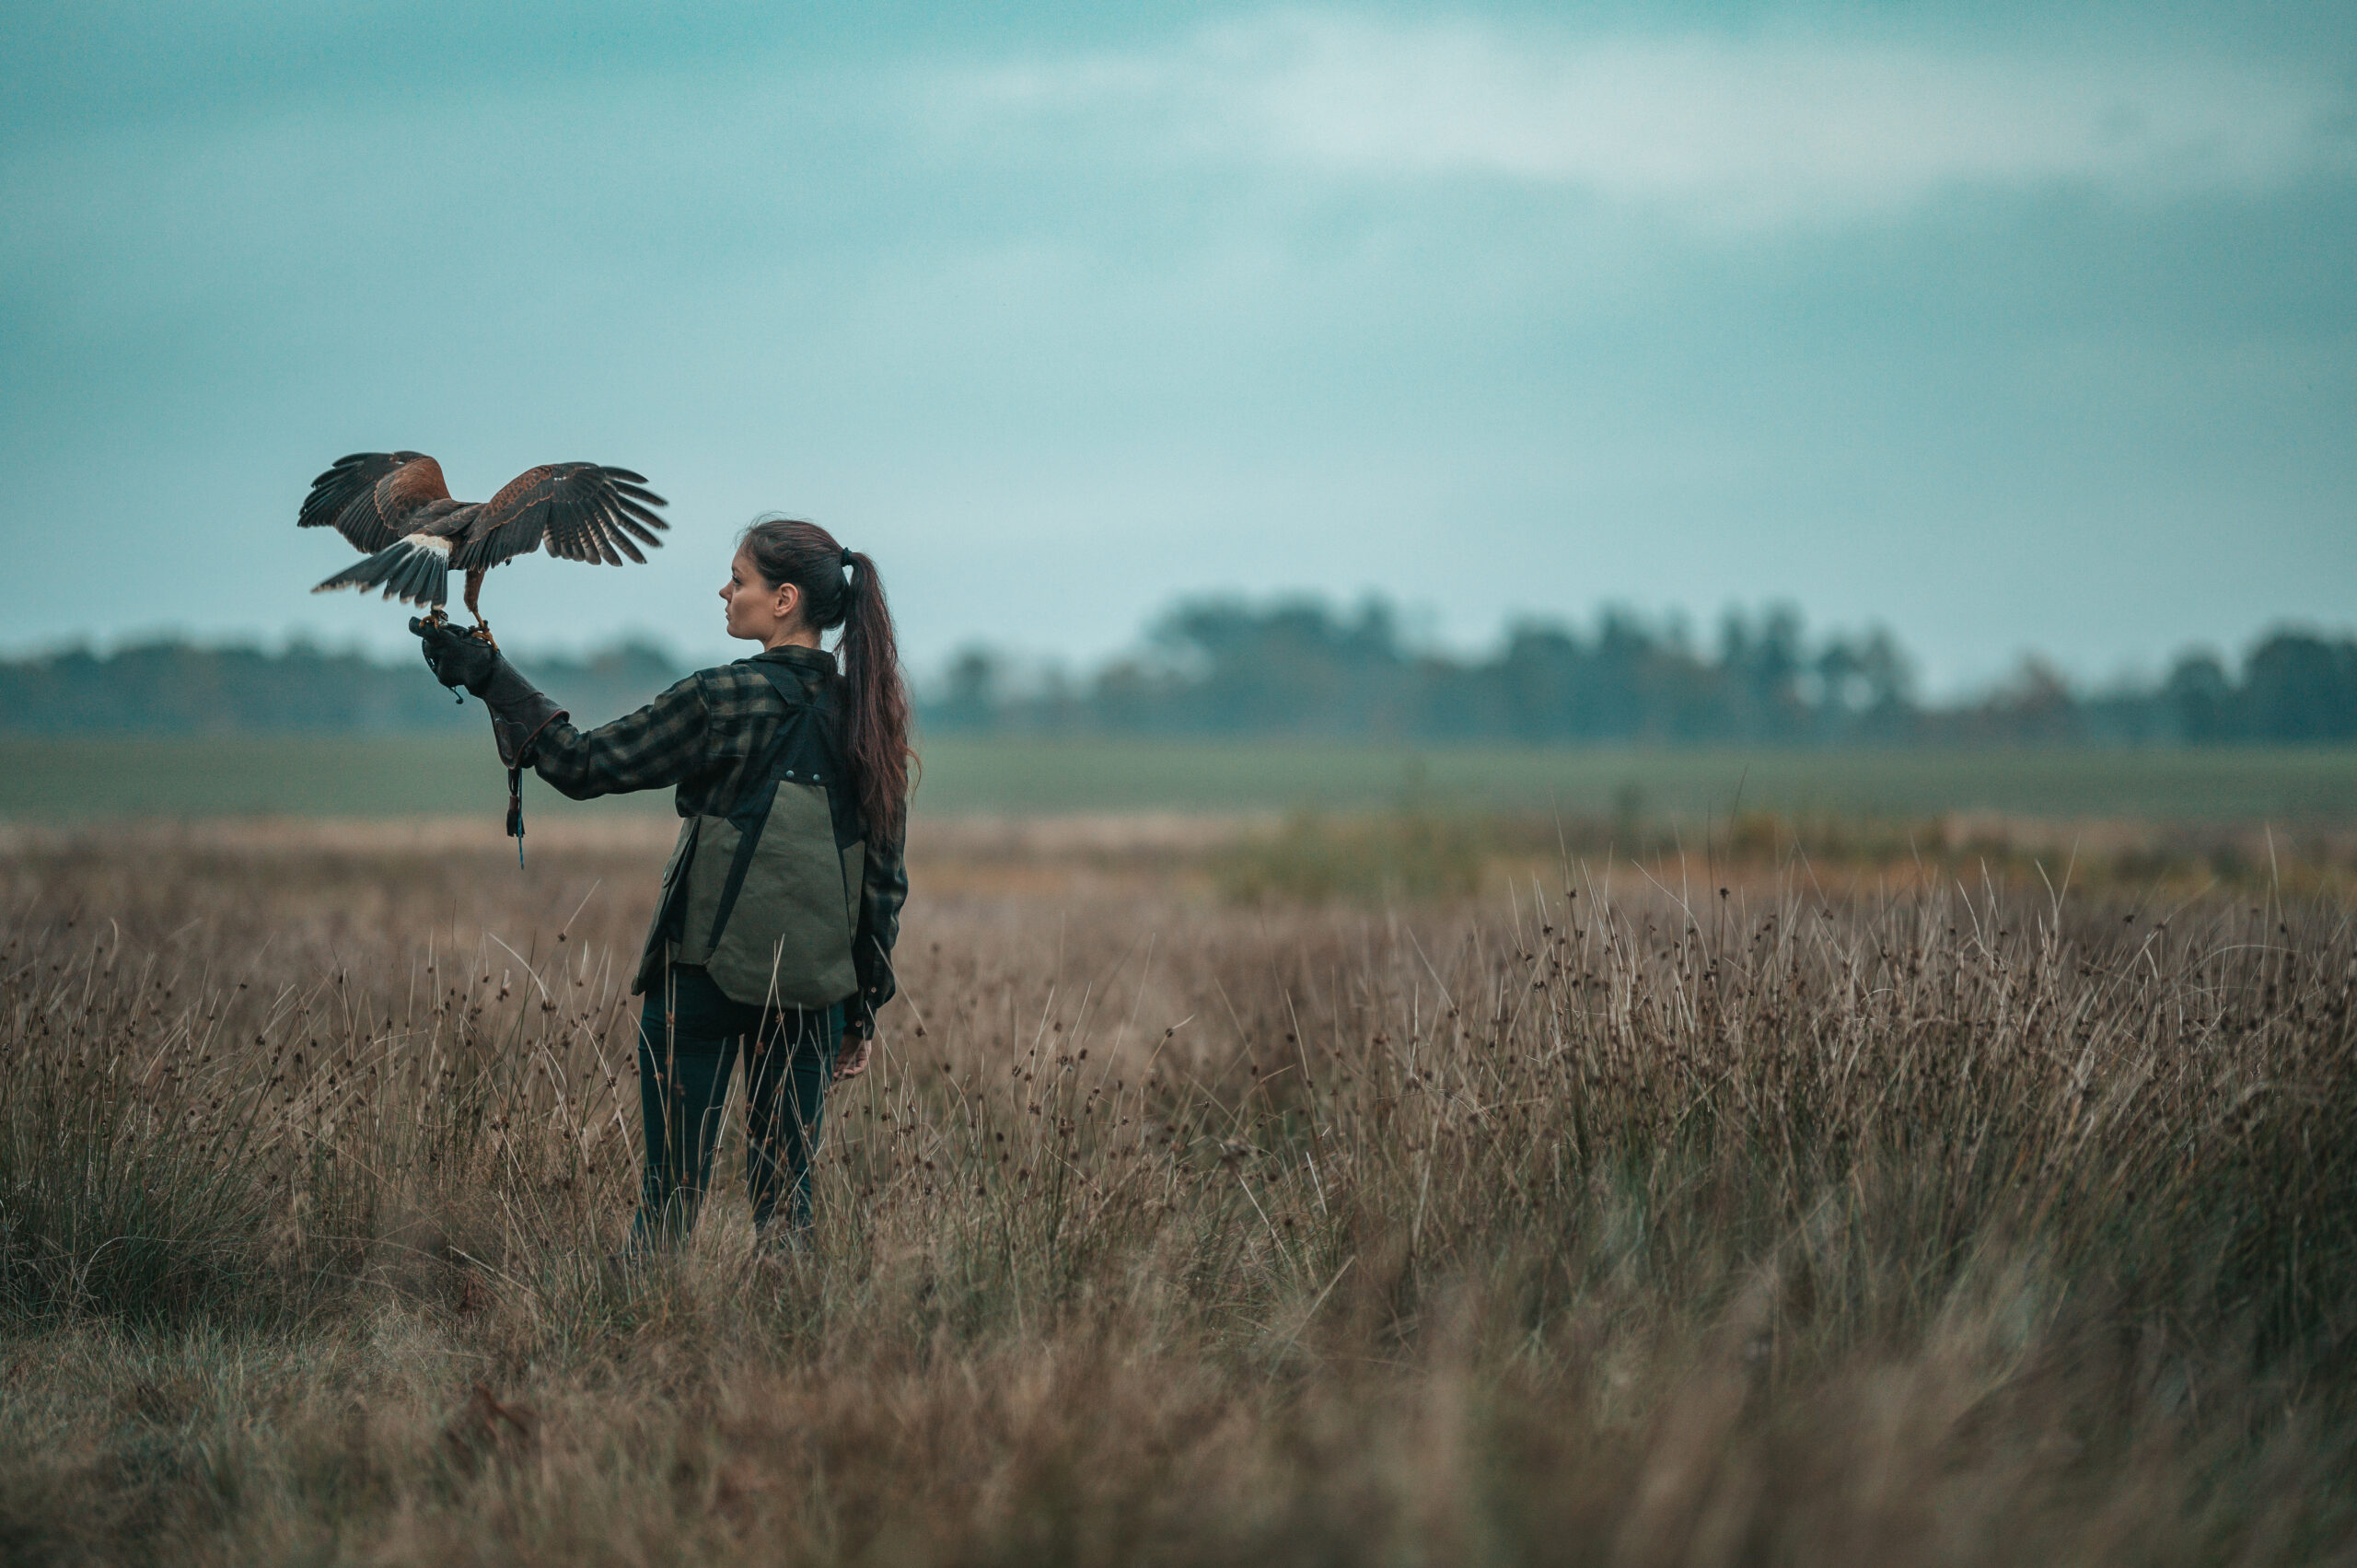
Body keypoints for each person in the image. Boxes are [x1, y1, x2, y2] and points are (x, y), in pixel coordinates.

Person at [412, 517, 911, 1248]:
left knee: (668, 1206)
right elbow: (883, 886)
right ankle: (794, 1348)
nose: (724, 590)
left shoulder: (721, 699)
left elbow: (582, 765)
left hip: (699, 984)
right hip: (812, 997)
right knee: (788, 1217)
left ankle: (643, 1341)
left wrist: (490, 674)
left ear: (784, 600)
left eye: (738, 579)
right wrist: (860, 1011)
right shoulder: (870, 719)